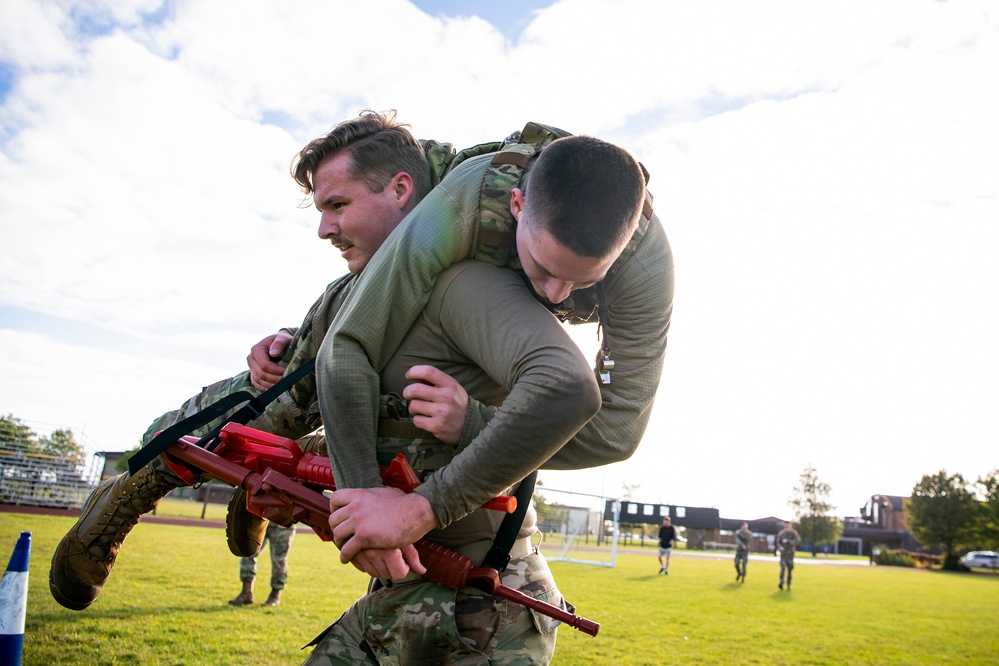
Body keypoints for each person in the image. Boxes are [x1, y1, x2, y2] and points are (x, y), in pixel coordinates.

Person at [316, 133, 673, 580]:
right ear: (518, 205)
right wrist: (361, 502)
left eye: (581, 283)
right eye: (544, 267)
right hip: (442, 288)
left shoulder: (645, 270)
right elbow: (349, 343)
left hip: (506, 347)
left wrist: (473, 426)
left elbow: (617, 432)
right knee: (331, 320)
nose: (555, 294)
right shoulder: (463, 203)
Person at [229, 521, 295, 608]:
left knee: (278, 560)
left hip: (283, 522)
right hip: (261, 519)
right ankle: (246, 592)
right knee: (248, 553)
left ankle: (275, 596)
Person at [775, 521, 802, 590]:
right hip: (783, 554)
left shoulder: (793, 533)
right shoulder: (782, 533)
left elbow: (797, 541)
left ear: (790, 525)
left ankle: (788, 585)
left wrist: (788, 541)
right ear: (784, 525)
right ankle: (781, 582)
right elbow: (778, 542)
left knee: (790, 570)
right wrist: (780, 547)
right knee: (783, 567)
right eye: (786, 525)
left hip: (790, 554)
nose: (787, 526)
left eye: (788, 525)